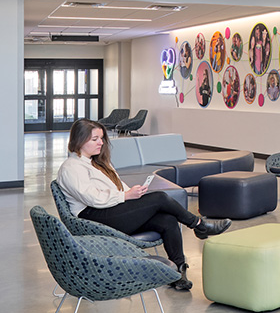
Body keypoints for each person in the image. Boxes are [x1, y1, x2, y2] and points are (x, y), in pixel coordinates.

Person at [56, 119, 231, 291]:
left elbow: (116, 186)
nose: (101, 143)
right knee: (160, 198)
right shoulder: (71, 167)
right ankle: (199, 225)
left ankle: (179, 272)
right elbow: (92, 198)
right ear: (79, 140)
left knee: (168, 220)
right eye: (95, 139)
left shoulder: (98, 162)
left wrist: (131, 193)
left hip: (111, 210)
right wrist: (125, 196)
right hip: (93, 217)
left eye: (101, 138)